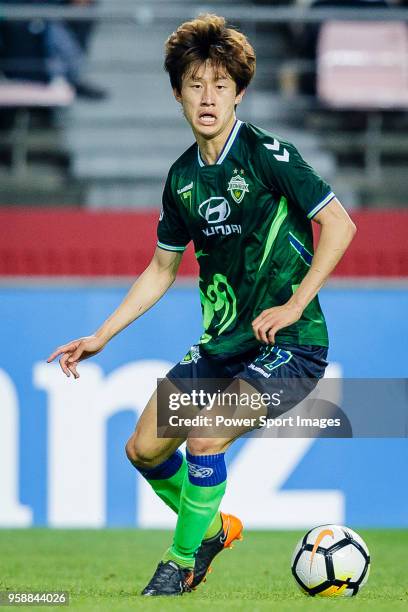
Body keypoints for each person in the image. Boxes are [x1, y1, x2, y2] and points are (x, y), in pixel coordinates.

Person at [47, 14, 356, 597]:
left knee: (206, 436)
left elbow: (340, 225)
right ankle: (211, 527)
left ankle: (180, 562)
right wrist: (101, 335)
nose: (207, 96)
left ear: (239, 92)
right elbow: (161, 268)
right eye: (195, 84)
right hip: (222, 347)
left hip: (290, 348)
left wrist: (295, 304)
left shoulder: (270, 155)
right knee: (143, 448)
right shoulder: (182, 178)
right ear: (178, 93)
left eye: (220, 84)